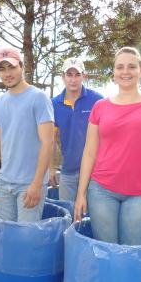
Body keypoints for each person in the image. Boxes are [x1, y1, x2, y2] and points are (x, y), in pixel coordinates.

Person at [74, 47, 141, 246]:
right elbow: (89, 153)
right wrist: (81, 194)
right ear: (113, 72)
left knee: (132, 253)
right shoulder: (100, 107)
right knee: (107, 252)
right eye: (120, 67)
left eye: (131, 66)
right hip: (101, 191)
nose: (125, 71)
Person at [0, 47, 54, 222]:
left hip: (29, 184)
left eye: (12, 67)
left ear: (21, 66)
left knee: (26, 240)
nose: (7, 73)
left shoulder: (39, 98)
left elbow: (48, 143)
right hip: (5, 183)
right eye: (2, 69)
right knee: (6, 237)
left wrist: (37, 184)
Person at [50, 57, 103, 202]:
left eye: (77, 75)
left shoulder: (97, 101)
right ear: (63, 76)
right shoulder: (54, 104)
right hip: (68, 172)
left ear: (84, 76)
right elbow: (51, 140)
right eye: (69, 75)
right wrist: (51, 167)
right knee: (69, 215)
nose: (73, 79)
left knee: (95, 219)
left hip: (95, 173)